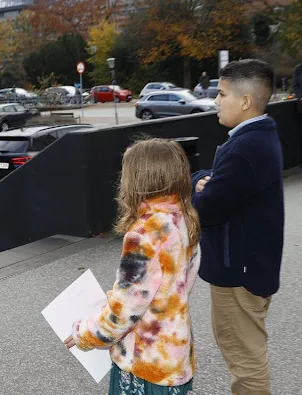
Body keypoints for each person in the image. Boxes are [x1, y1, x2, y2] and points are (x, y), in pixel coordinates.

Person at [64, 138, 201, 395]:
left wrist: (84, 333)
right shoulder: (184, 218)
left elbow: (125, 310)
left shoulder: (146, 232)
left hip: (144, 363)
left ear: (137, 180)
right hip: (174, 356)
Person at [192, 59, 283, 395]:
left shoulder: (244, 148)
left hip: (239, 275)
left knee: (246, 362)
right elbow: (223, 191)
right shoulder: (261, 136)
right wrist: (206, 181)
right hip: (253, 265)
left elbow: (208, 207)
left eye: (222, 93)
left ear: (245, 101)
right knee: (247, 353)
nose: (216, 100)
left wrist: (199, 183)